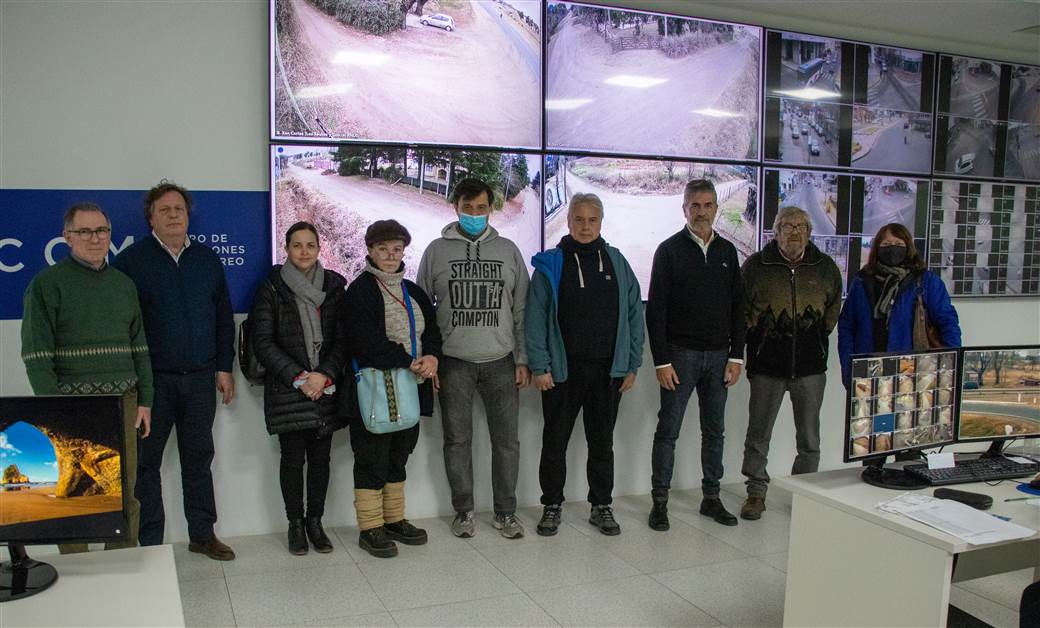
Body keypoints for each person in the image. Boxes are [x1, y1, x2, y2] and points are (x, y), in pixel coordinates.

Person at [112, 180, 237, 561]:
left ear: (187, 215)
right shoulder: (131, 262)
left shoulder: (207, 259)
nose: (172, 215)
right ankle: (149, 543)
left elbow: (222, 318)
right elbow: (124, 327)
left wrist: (223, 367)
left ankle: (202, 534)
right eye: (164, 210)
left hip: (200, 380)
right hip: (152, 384)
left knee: (198, 459)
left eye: (178, 209)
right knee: (145, 466)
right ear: (151, 216)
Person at [21, 202, 153, 552]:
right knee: (75, 493)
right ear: (67, 237)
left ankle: (122, 563)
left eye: (102, 231)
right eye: (85, 231)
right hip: (72, 407)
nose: (95, 238)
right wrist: (53, 410)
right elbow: (36, 355)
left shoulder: (124, 285)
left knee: (124, 491)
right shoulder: (47, 285)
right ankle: (77, 567)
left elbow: (139, 347)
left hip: (122, 404)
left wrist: (145, 400)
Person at [417, 178, 530, 540]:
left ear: (490, 209)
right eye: (468, 208)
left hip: (501, 361)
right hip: (454, 363)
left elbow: (521, 310)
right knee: (456, 441)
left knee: (507, 442)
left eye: (482, 208)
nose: (475, 215)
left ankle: (505, 513)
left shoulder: (509, 250)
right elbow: (421, 312)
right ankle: (463, 511)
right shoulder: (435, 251)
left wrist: (523, 359)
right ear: (456, 207)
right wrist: (429, 358)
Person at [526, 193, 644, 537]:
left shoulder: (618, 262)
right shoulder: (551, 264)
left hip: (608, 373)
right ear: (569, 221)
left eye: (592, 220)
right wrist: (539, 365)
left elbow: (635, 314)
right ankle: (551, 506)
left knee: (602, 443)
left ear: (601, 222)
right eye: (579, 219)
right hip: (562, 373)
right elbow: (534, 319)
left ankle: (601, 505)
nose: (586, 226)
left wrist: (632, 363)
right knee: (555, 442)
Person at [645, 179, 745, 531]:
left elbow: (738, 308)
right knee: (668, 431)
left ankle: (711, 498)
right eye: (695, 206)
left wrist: (737, 357)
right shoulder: (669, 250)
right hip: (680, 356)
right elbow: (655, 311)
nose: (701, 212)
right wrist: (661, 361)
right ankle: (660, 502)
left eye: (707, 205)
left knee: (715, 432)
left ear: (716, 208)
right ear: (684, 209)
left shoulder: (728, 253)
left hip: (719, 357)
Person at [343, 220, 442, 558]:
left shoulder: (413, 291)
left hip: (411, 387)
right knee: (371, 456)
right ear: (369, 250)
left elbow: (432, 331)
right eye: (382, 248)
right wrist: (407, 360)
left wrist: (431, 356)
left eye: (396, 249)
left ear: (404, 251)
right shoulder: (360, 291)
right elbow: (364, 342)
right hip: (375, 387)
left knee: (400, 453)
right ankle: (370, 527)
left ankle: (394, 519)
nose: (389, 255)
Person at [249, 222, 348, 555]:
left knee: (321, 460)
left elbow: (342, 340)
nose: (304, 252)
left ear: (319, 249)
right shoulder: (272, 287)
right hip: (288, 389)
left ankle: (315, 523)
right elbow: (262, 342)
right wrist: (300, 377)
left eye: (310, 245)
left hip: (326, 388)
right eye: (297, 245)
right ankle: (295, 524)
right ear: (287, 249)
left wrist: (324, 375)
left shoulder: (335, 285)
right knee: (292, 460)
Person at [738, 207, 843, 521]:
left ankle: (803, 493)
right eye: (786, 226)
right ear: (775, 231)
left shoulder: (825, 268)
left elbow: (831, 314)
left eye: (800, 226)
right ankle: (756, 492)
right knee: (758, 434)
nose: (794, 232)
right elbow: (743, 314)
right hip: (767, 367)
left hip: (811, 369)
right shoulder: (756, 266)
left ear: (809, 231)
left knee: (809, 438)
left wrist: (810, 340)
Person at [838, 222, 962, 387]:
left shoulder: (925, 281)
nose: (892, 249)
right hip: (867, 369)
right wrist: (849, 368)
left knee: (907, 411)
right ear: (877, 248)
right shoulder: (862, 280)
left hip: (912, 370)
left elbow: (947, 322)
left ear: (908, 247)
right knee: (869, 411)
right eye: (886, 244)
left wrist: (950, 366)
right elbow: (847, 326)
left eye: (898, 244)